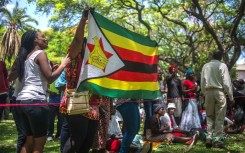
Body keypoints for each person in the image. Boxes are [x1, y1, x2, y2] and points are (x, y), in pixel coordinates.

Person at [15, 30, 70, 153]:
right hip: (35, 101)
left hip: (22, 101)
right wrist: (63, 65)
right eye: (42, 37)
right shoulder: (40, 53)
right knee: (39, 145)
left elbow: (41, 76)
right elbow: (50, 78)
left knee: (29, 141)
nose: (46, 39)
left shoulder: (26, 56)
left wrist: (53, 68)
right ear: (35, 40)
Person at [62, 9, 100, 153]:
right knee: (77, 138)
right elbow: (78, 40)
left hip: (94, 102)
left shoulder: (94, 61)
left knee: (88, 141)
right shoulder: (74, 56)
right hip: (76, 96)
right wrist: (84, 20)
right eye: (87, 44)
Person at [201, 50, 234, 148]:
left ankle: (209, 138)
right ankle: (217, 140)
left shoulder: (205, 66)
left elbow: (202, 82)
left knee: (209, 116)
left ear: (212, 56)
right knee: (220, 117)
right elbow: (227, 83)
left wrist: (204, 93)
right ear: (220, 57)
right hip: (220, 92)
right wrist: (231, 97)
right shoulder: (222, 66)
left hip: (208, 92)